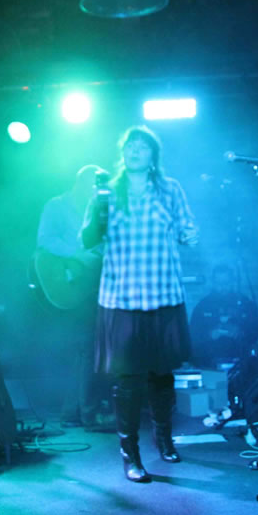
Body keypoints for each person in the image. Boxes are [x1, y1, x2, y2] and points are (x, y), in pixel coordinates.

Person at [81, 125, 198, 483]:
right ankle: (129, 454)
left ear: (152, 155)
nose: (135, 150)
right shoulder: (107, 191)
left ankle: (164, 438)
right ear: (122, 152)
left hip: (162, 295)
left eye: (142, 146)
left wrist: (190, 235)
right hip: (122, 298)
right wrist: (97, 209)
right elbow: (87, 239)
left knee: (162, 374)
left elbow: (187, 227)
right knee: (128, 380)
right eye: (129, 145)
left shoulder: (170, 189)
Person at [35, 164, 113, 429]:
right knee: (88, 346)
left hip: (92, 284)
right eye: (93, 186)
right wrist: (77, 255)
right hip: (70, 282)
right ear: (80, 183)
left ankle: (73, 412)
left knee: (87, 348)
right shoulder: (56, 205)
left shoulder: (102, 208)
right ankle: (88, 412)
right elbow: (45, 240)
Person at [190, 264, 258, 369]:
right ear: (213, 282)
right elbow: (192, 335)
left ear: (232, 281)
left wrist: (241, 332)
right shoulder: (203, 306)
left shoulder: (245, 303)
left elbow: (257, 329)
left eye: (226, 282)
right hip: (210, 364)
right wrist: (209, 335)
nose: (222, 286)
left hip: (241, 363)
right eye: (218, 283)